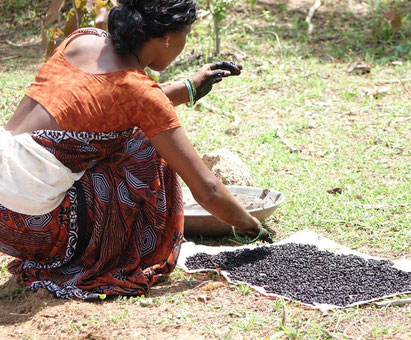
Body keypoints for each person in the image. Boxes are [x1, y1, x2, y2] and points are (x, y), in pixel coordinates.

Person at [0, 0, 265, 299]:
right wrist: (252, 226)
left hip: (5, 218)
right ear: (167, 36)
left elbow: (107, 103)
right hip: (36, 227)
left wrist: (189, 88)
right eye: (186, 33)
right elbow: (207, 189)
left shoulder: (82, 39)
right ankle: (131, 249)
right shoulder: (140, 93)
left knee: (126, 134)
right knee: (144, 145)